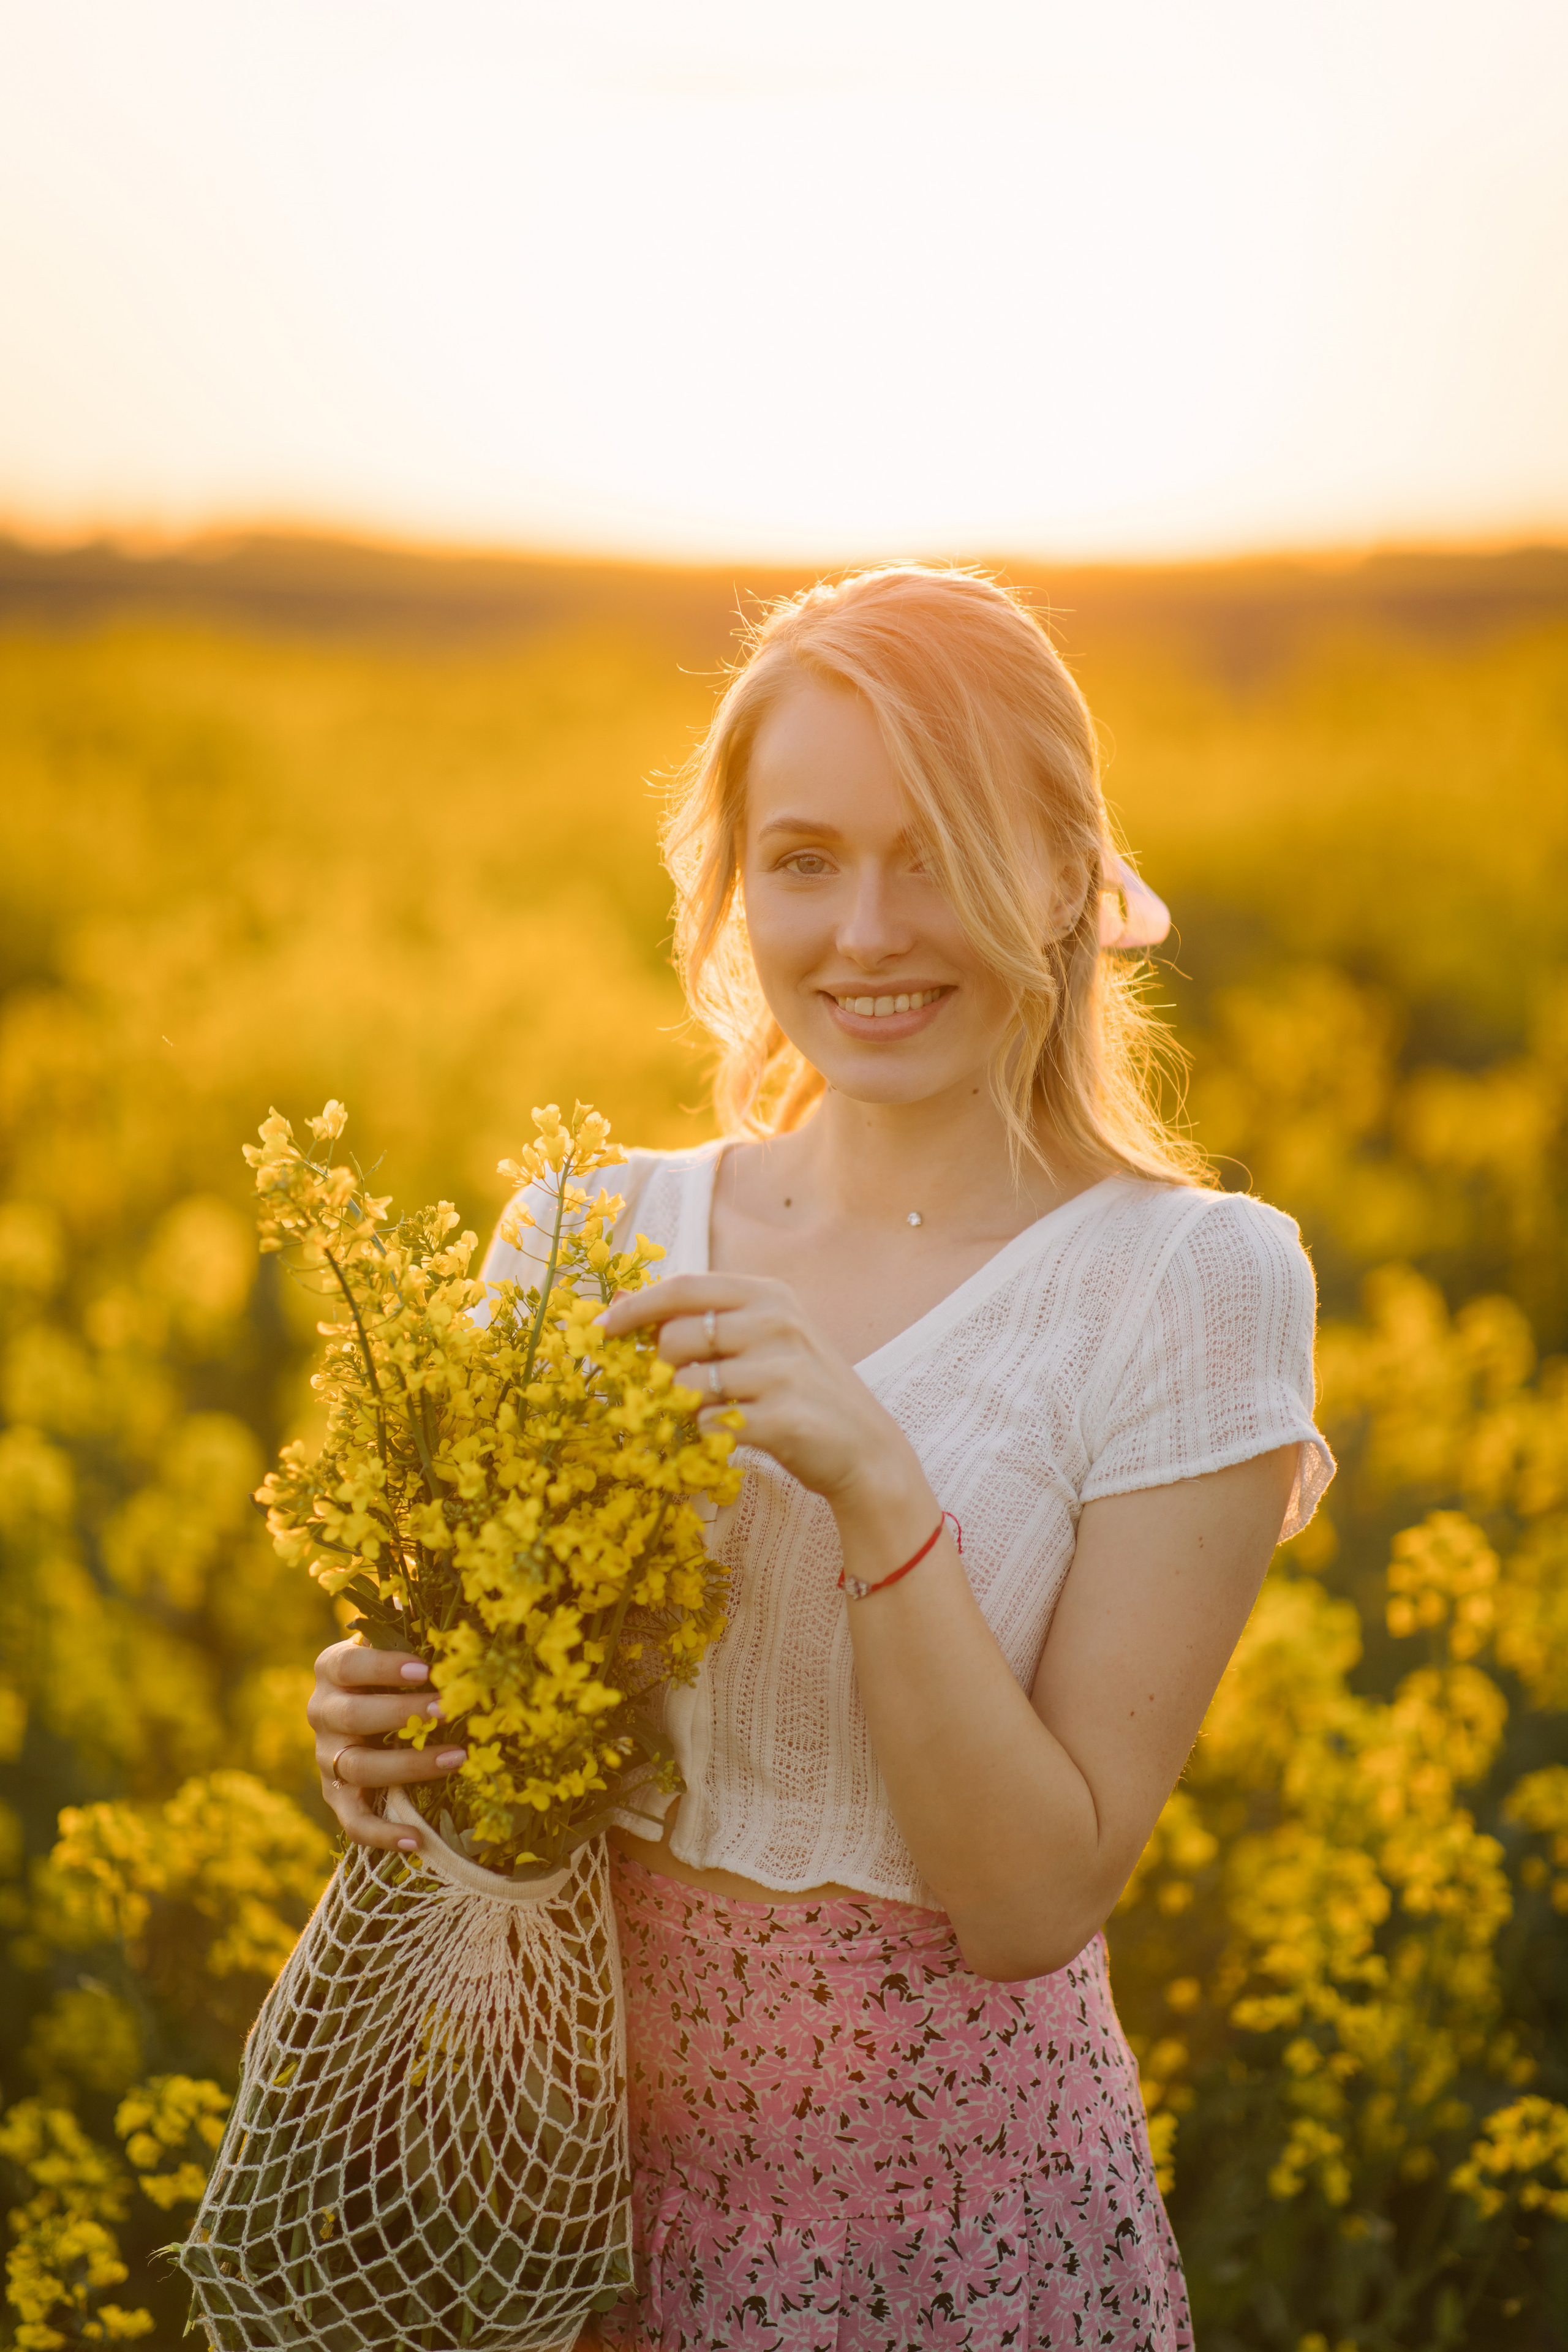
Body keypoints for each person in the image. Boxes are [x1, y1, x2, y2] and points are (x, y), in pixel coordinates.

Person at [307, 566, 1333, 2351]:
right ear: (729, 892)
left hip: (960, 2245)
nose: (866, 930)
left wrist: (876, 1479)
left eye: (934, 850)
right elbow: (520, 1771)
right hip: (576, 2224)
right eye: (803, 860)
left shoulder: (1186, 1284)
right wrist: (395, 1727)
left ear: (1070, 875)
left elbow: (1029, 1899)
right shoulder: (579, 1235)